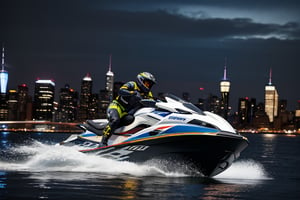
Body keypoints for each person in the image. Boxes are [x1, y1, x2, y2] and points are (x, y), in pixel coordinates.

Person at [100, 72, 156, 147]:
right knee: (115, 120)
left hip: (127, 113)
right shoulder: (132, 84)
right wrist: (132, 93)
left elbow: (152, 101)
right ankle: (103, 142)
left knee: (134, 121)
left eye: (150, 84)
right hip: (117, 106)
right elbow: (121, 91)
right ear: (141, 80)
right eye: (147, 83)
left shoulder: (148, 93)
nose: (148, 86)